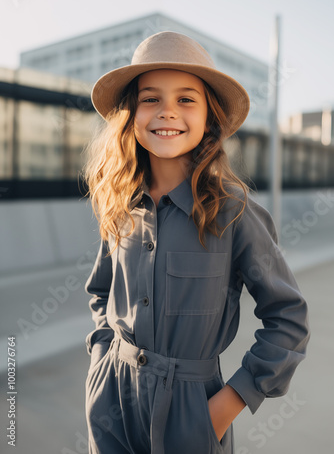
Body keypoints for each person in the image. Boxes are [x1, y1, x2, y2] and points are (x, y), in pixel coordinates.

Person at [82, 31, 310, 454]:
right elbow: (100, 291)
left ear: (209, 118)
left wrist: (227, 404)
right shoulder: (120, 204)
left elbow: (289, 320)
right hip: (111, 397)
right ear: (132, 114)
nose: (167, 112)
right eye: (150, 99)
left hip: (192, 411)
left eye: (186, 99)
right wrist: (101, 357)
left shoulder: (234, 212)